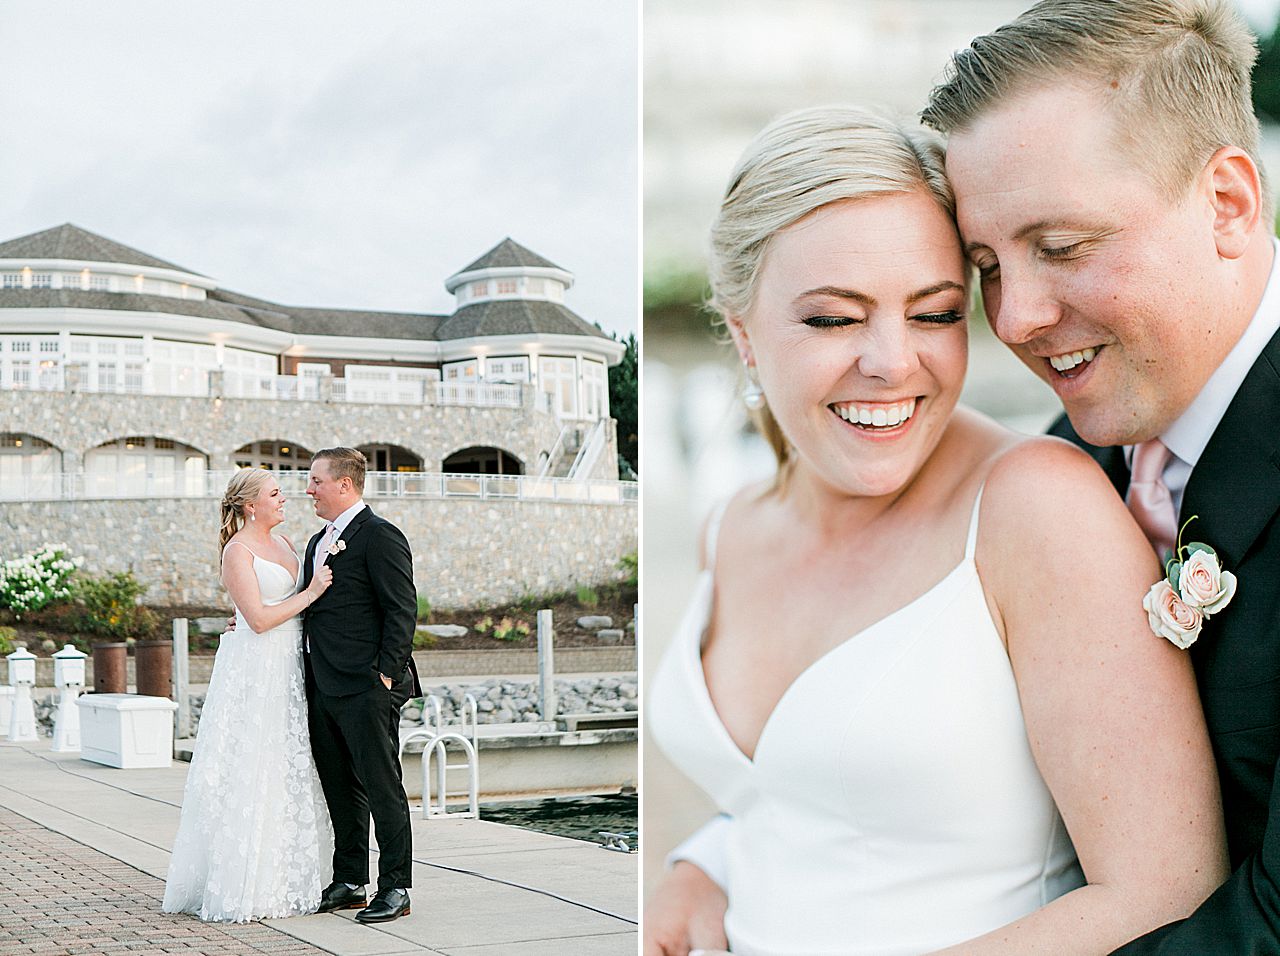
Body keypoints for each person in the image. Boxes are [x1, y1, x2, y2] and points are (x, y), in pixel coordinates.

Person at [644, 104, 1227, 956]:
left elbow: (1165, 890)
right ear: (742, 334)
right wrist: (705, 866)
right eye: (834, 319)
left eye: (935, 313)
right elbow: (790, 799)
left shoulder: (1034, 507)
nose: (892, 362)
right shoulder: (727, 528)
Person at [923, 1, 1280, 951]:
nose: (1017, 317)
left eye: (1062, 248)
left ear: (1229, 206)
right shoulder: (1064, 459)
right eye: (988, 264)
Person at [163, 468, 334, 922]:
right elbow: (257, 618)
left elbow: (270, 610)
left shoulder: (288, 545)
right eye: (275, 494)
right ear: (250, 505)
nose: (285, 499)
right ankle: (249, 883)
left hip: (292, 665)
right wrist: (313, 591)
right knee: (255, 765)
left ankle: (290, 876)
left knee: (288, 765)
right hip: (259, 665)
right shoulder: (237, 551)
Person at [302, 447, 419, 924]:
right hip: (322, 684)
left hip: (369, 685)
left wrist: (386, 674)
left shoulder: (379, 536)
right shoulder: (315, 541)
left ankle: (396, 886)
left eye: (316, 480)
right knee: (339, 784)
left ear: (344, 484)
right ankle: (350, 879)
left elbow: (401, 608)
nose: (309, 489)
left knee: (381, 785)